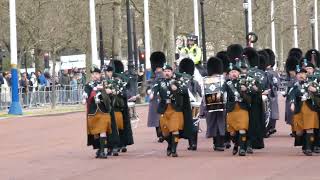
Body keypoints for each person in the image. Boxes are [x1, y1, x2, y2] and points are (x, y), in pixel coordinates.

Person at [153, 64, 193, 157]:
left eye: (169, 71)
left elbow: (184, 90)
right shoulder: (159, 81)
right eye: (165, 71)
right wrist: (151, 93)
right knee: (165, 133)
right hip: (164, 109)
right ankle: (170, 145)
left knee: (175, 130)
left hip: (176, 109)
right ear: (163, 72)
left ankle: (174, 150)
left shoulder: (178, 81)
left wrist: (177, 89)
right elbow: (154, 89)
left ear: (172, 72)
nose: (167, 73)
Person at [82, 66, 119, 158]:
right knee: (96, 132)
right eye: (93, 74)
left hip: (103, 110)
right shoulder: (89, 85)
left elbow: (112, 93)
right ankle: (99, 149)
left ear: (99, 75)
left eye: (96, 74)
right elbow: (86, 92)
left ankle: (103, 151)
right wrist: (84, 97)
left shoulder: (105, 84)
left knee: (102, 130)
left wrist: (110, 91)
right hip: (93, 111)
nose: (94, 76)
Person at [288, 65, 319, 156]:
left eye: (303, 73)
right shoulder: (295, 85)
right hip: (299, 110)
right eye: (299, 74)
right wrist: (292, 103)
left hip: (310, 108)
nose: (301, 75)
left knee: (310, 128)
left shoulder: (312, 83)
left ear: (306, 75)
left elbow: (318, 91)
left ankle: (309, 148)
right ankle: (304, 146)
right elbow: (291, 95)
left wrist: (315, 90)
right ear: (296, 75)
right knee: (299, 132)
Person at [223, 63, 251, 156]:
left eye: (235, 71)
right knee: (232, 133)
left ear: (239, 73)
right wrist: (220, 93)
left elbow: (250, 96)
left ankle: (242, 149)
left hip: (242, 109)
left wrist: (245, 90)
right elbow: (222, 89)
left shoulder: (244, 82)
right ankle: (236, 144)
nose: (233, 73)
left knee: (242, 129)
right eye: (231, 72)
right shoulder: (227, 83)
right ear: (229, 74)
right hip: (231, 110)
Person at [200, 57, 226, 151]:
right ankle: (218, 142)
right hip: (217, 103)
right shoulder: (222, 79)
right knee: (217, 123)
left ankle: (219, 142)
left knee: (216, 123)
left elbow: (203, 93)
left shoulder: (206, 80)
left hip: (214, 103)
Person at [147, 52, 166, 142]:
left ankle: (163, 133)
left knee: (161, 117)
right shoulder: (153, 76)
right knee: (155, 119)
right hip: (154, 100)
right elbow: (148, 86)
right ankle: (159, 134)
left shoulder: (164, 75)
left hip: (161, 98)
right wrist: (148, 91)